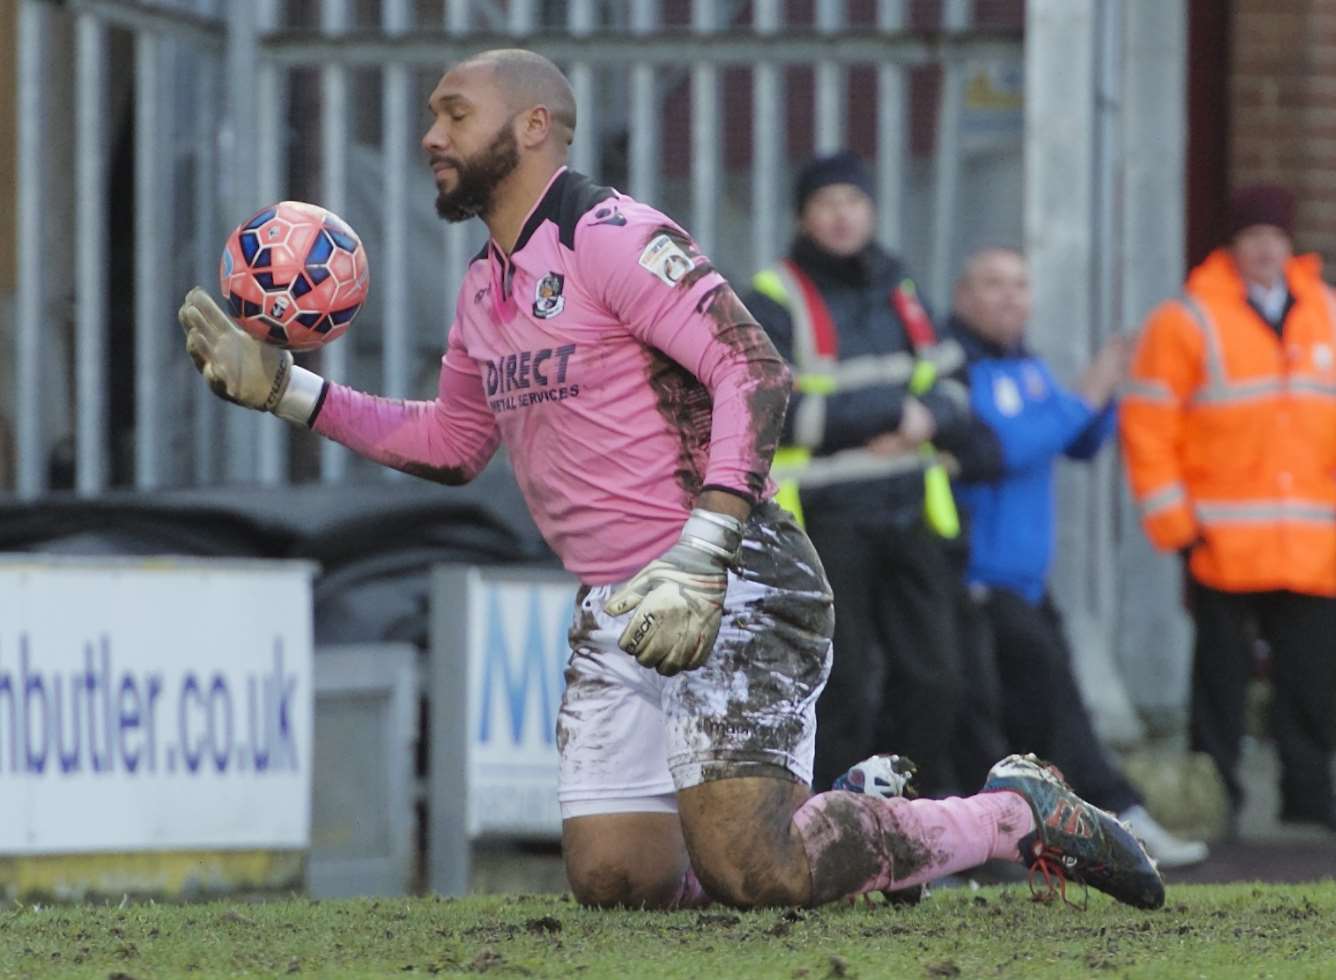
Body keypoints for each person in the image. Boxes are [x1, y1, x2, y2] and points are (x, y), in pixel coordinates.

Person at [178, 49, 1164, 909]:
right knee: (619, 883)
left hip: (730, 573)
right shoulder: (486, 284)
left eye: (452, 113)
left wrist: (704, 548)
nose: (431, 133)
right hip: (616, 601)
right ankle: (856, 822)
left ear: (531, 126)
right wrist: (293, 393)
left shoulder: (610, 233)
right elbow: (450, 442)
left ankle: (1007, 813)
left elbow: (754, 368)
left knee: (756, 868)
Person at [741, 151, 994, 798]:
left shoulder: (899, 287)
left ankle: (906, 824)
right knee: (842, 687)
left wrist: (927, 415)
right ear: (803, 217)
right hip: (826, 524)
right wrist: (892, 412)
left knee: (937, 679)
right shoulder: (774, 296)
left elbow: (960, 388)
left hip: (910, 512)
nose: (842, 215)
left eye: (852, 201)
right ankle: (832, 832)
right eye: (826, 204)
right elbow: (764, 410)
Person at [950, 247, 1209, 867]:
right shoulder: (954, 369)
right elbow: (1002, 446)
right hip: (976, 583)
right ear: (962, 297)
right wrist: (1085, 396)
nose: (1011, 296)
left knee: (1031, 722)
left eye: (1020, 284)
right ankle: (1120, 823)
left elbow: (1076, 442)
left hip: (1028, 584)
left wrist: (1106, 397)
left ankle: (1060, 838)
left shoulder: (1029, 367)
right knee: (1053, 715)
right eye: (993, 283)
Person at [1121, 185, 1336, 833]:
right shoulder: (1185, 321)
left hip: (1311, 544)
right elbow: (1149, 426)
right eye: (1253, 238)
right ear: (1233, 245)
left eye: (1276, 237)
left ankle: (1309, 794)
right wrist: (1178, 528)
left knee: (1311, 679)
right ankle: (1216, 802)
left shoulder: (1325, 311)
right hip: (1221, 541)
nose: (1267, 249)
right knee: (1219, 681)